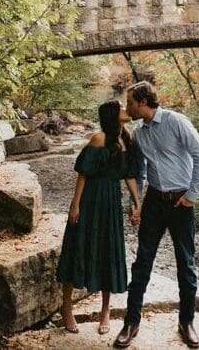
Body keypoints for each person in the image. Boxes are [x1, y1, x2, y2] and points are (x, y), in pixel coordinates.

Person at [115, 81, 199, 349]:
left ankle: (187, 322)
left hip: (182, 201)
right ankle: (131, 322)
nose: (128, 107)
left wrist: (192, 196)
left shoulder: (176, 121)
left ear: (143, 102)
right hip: (155, 201)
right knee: (142, 261)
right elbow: (141, 171)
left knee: (186, 263)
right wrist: (138, 204)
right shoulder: (138, 133)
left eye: (130, 103)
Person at [57, 99, 143, 335]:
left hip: (111, 203)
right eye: (122, 108)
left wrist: (137, 203)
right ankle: (66, 307)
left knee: (108, 250)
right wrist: (75, 205)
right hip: (91, 199)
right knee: (78, 248)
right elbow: (83, 175)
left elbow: (129, 175)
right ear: (113, 115)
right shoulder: (98, 138)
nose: (127, 110)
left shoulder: (125, 140)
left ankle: (105, 310)